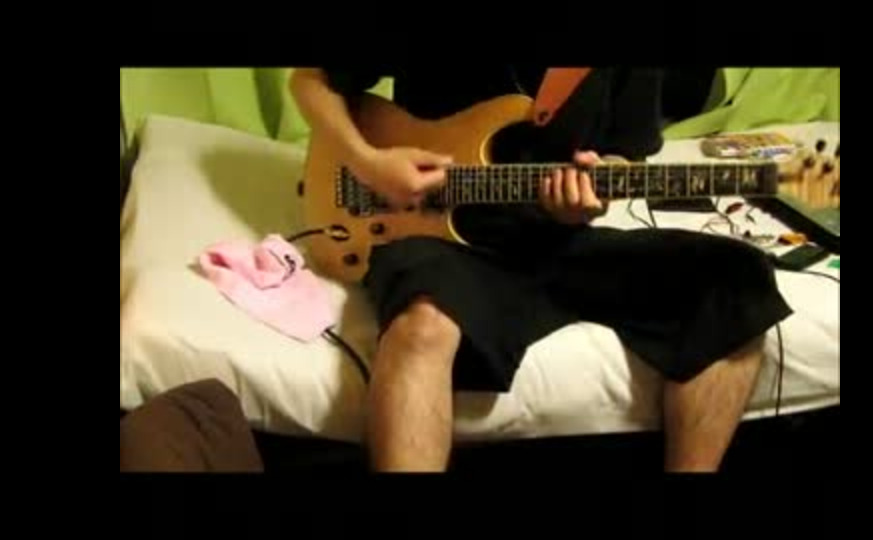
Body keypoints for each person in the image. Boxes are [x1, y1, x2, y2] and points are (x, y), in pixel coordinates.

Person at [289, 67, 793, 472]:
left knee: (736, 277)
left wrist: (593, 192)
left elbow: (623, 156)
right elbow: (310, 80)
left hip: (557, 239)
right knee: (422, 326)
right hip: (433, 235)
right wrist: (368, 163)